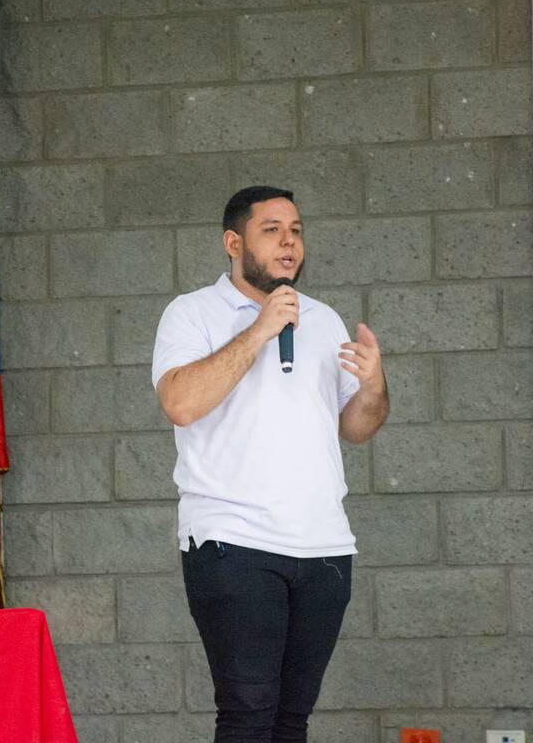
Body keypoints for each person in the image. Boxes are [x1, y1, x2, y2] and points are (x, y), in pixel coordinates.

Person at [151, 185, 390, 742]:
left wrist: (375, 384)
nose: (289, 243)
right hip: (233, 541)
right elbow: (181, 403)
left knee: (290, 719)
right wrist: (260, 329)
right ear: (234, 242)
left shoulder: (324, 320)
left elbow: (356, 428)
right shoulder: (191, 313)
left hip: (324, 547)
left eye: (297, 231)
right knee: (248, 713)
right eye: (272, 230)